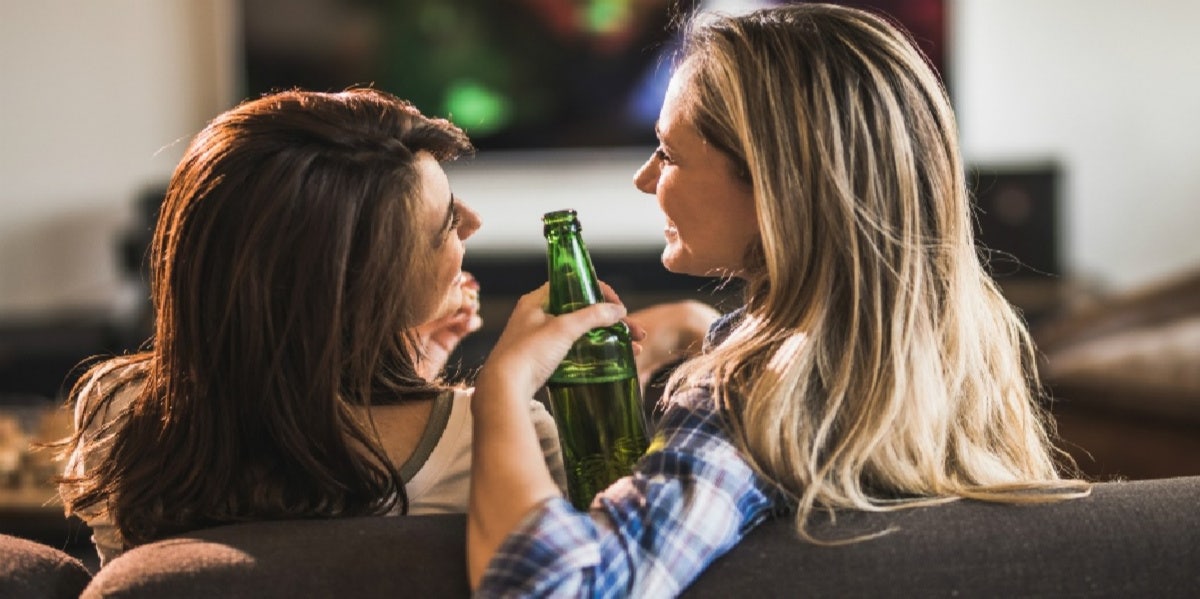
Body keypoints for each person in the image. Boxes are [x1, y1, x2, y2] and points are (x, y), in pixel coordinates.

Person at [465, 4, 1091, 596]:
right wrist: (703, 329)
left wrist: (505, 383)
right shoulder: (959, 346)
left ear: (773, 184)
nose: (645, 178)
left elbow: (559, 586)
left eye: (669, 152)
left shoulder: (748, 399)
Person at [55, 88, 662, 566]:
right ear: (369, 292)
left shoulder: (119, 414)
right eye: (448, 222)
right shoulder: (507, 438)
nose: (473, 224)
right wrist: (499, 387)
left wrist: (407, 370)